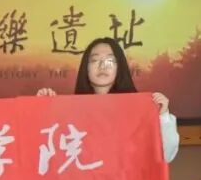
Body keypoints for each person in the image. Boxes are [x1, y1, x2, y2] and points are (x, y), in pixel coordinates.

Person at [37, 37, 180, 162]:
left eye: (110, 60)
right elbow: (51, 156)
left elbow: (166, 155)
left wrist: (163, 117)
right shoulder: (72, 112)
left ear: (119, 67)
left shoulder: (139, 110)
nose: (102, 66)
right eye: (95, 60)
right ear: (86, 69)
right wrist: (44, 110)